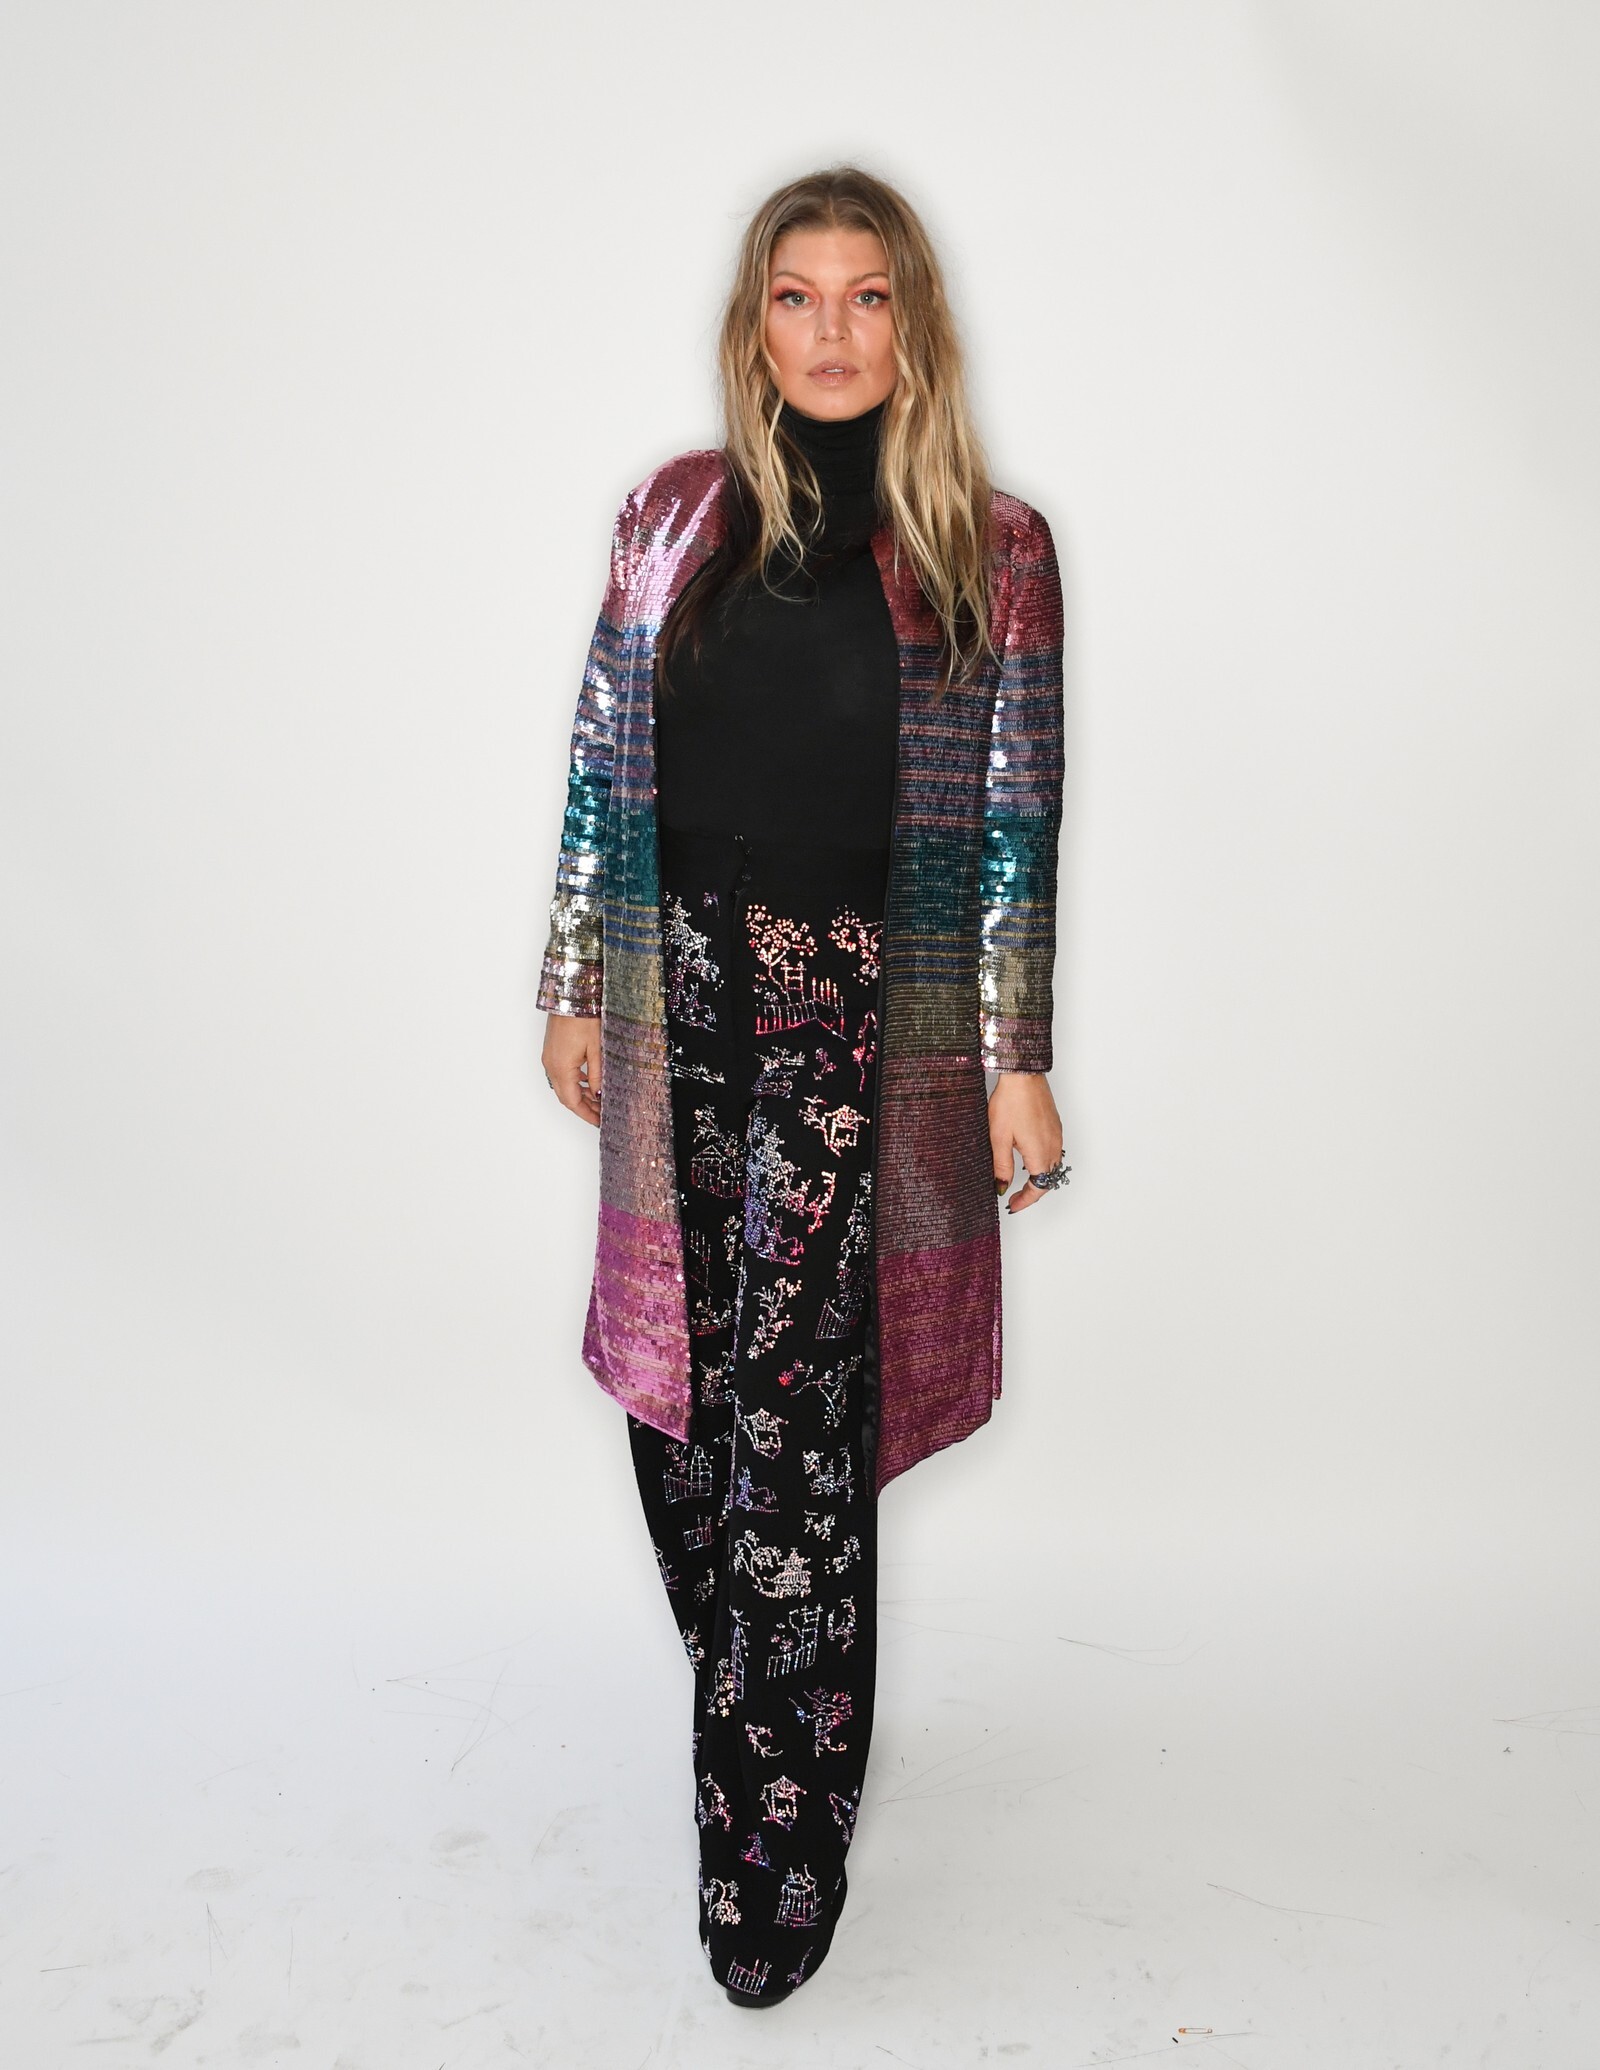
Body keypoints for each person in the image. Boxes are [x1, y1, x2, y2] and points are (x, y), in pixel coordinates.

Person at [537, 165, 1067, 2008]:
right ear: (754, 323)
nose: (832, 330)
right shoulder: (672, 512)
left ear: (912, 323)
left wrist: (1016, 1058)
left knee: (791, 1425)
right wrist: (570, 980)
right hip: (677, 995)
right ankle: (773, 1689)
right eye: (796, 296)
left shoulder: (991, 547)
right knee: (677, 1392)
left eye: (866, 296)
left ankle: (773, 1849)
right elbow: (602, 752)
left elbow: (1016, 821)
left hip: (860, 1023)